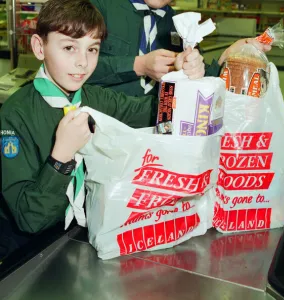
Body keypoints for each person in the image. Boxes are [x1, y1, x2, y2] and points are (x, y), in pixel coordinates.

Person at [0, 0, 204, 258]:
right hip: (24, 252)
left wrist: (183, 79)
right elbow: (29, 219)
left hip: (76, 237)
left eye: (92, 49)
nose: (82, 62)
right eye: (69, 47)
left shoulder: (95, 99)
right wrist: (60, 157)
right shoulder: (14, 116)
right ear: (40, 47)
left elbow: (152, 111)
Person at [87, 0, 271, 97]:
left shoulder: (179, 24)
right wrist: (138, 65)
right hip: (98, 130)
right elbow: (66, 70)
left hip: (154, 134)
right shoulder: (96, 7)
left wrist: (228, 56)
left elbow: (198, 79)